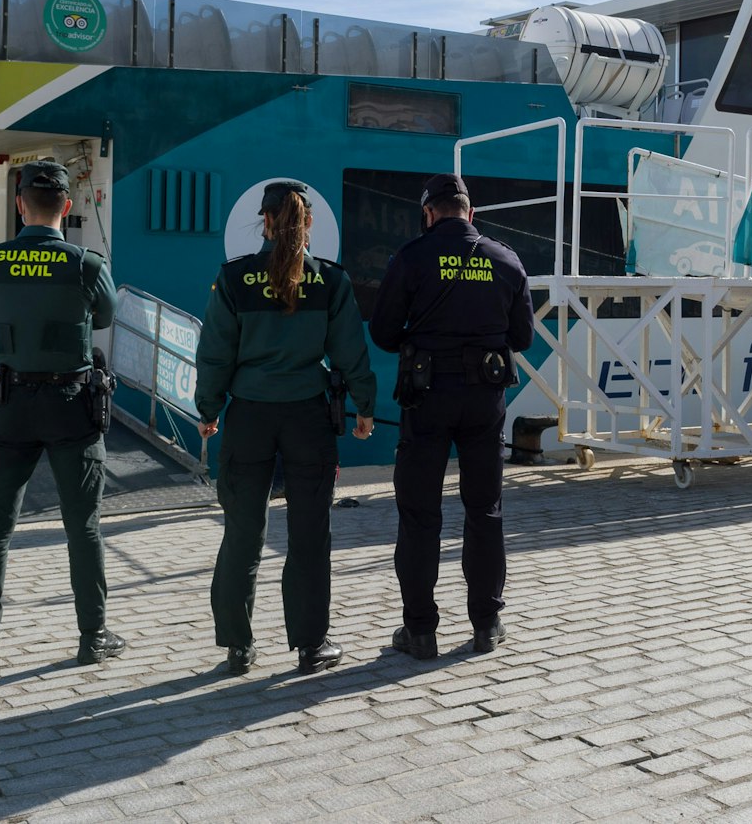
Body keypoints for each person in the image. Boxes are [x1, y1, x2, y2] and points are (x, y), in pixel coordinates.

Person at [196, 182, 377, 675]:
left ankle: (237, 646)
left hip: (249, 416)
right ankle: (311, 646)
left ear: (266, 220)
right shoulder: (330, 280)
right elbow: (349, 351)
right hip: (307, 419)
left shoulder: (233, 279)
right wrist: (365, 406)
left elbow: (214, 352)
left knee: (242, 533)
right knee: (308, 535)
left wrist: (208, 409)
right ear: (309, 223)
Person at [0, 161, 123, 668]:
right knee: (84, 527)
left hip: (10, 408)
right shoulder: (87, 265)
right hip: (71, 408)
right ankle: (92, 638)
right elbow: (104, 317)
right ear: (67, 207)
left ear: (20, 205)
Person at [368, 173, 532, 659]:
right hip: (485, 400)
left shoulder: (412, 257)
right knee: (485, 510)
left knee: (420, 514)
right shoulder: (505, 259)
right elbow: (521, 338)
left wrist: (422, 344)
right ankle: (486, 624)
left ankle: (420, 632)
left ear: (429, 213)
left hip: (427, 396)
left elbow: (381, 331)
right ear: (469, 212)